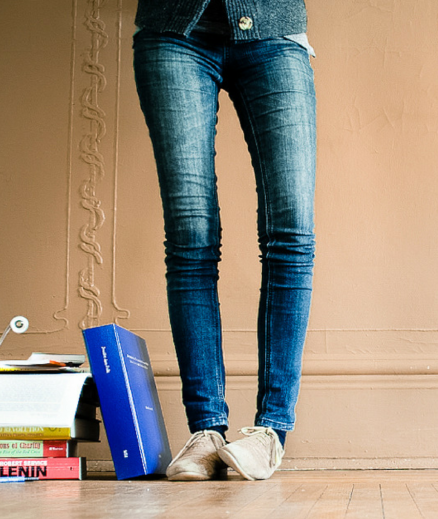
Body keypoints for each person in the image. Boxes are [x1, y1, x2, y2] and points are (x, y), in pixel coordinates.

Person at [132, 0, 317, 481]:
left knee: (291, 231)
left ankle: (271, 430)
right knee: (191, 235)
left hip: (275, 33)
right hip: (174, 31)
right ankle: (206, 431)